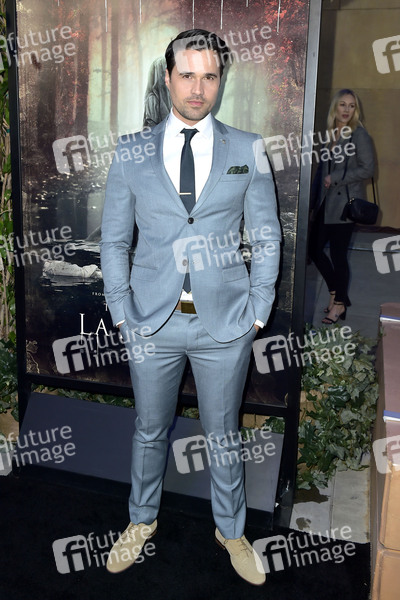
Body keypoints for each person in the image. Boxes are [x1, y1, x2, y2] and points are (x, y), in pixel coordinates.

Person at [100, 29, 281, 585]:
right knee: (149, 430)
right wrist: (121, 311)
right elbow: (114, 241)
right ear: (167, 77)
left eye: (210, 77)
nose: (198, 89)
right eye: (187, 75)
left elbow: (267, 235)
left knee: (224, 434)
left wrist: (258, 309)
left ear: (221, 80)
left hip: (224, 324)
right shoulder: (131, 151)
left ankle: (232, 531)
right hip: (150, 321)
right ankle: (140, 520)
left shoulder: (247, 149)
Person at [308, 88, 374, 324]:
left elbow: (368, 169)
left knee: (338, 255)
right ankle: (336, 293)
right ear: (335, 107)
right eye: (343, 104)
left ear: (356, 110)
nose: (347, 110)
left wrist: (336, 177)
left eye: (351, 106)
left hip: (345, 205)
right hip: (325, 204)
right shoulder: (329, 133)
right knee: (314, 250)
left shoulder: (359, 135)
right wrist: (312, 200)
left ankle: (339, 304)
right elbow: (321, 171)